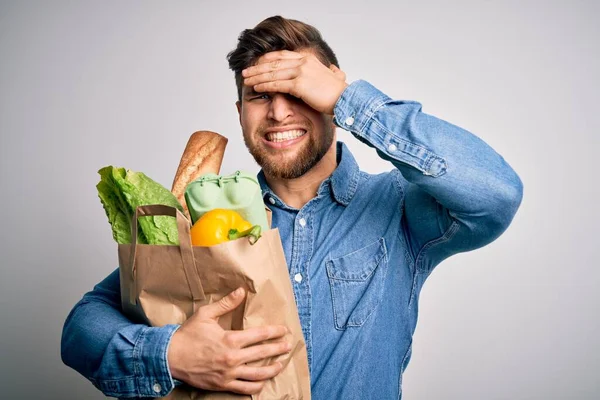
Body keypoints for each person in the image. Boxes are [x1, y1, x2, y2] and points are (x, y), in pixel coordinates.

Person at [61, 15, 523, 399]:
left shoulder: (399, 209)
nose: (279, 113)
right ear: (239, 110)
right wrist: (169, 353)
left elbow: (495, 194)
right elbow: (82, 327)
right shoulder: (205, 219)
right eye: (260, 96)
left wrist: (351, 101)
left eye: (298, 92)